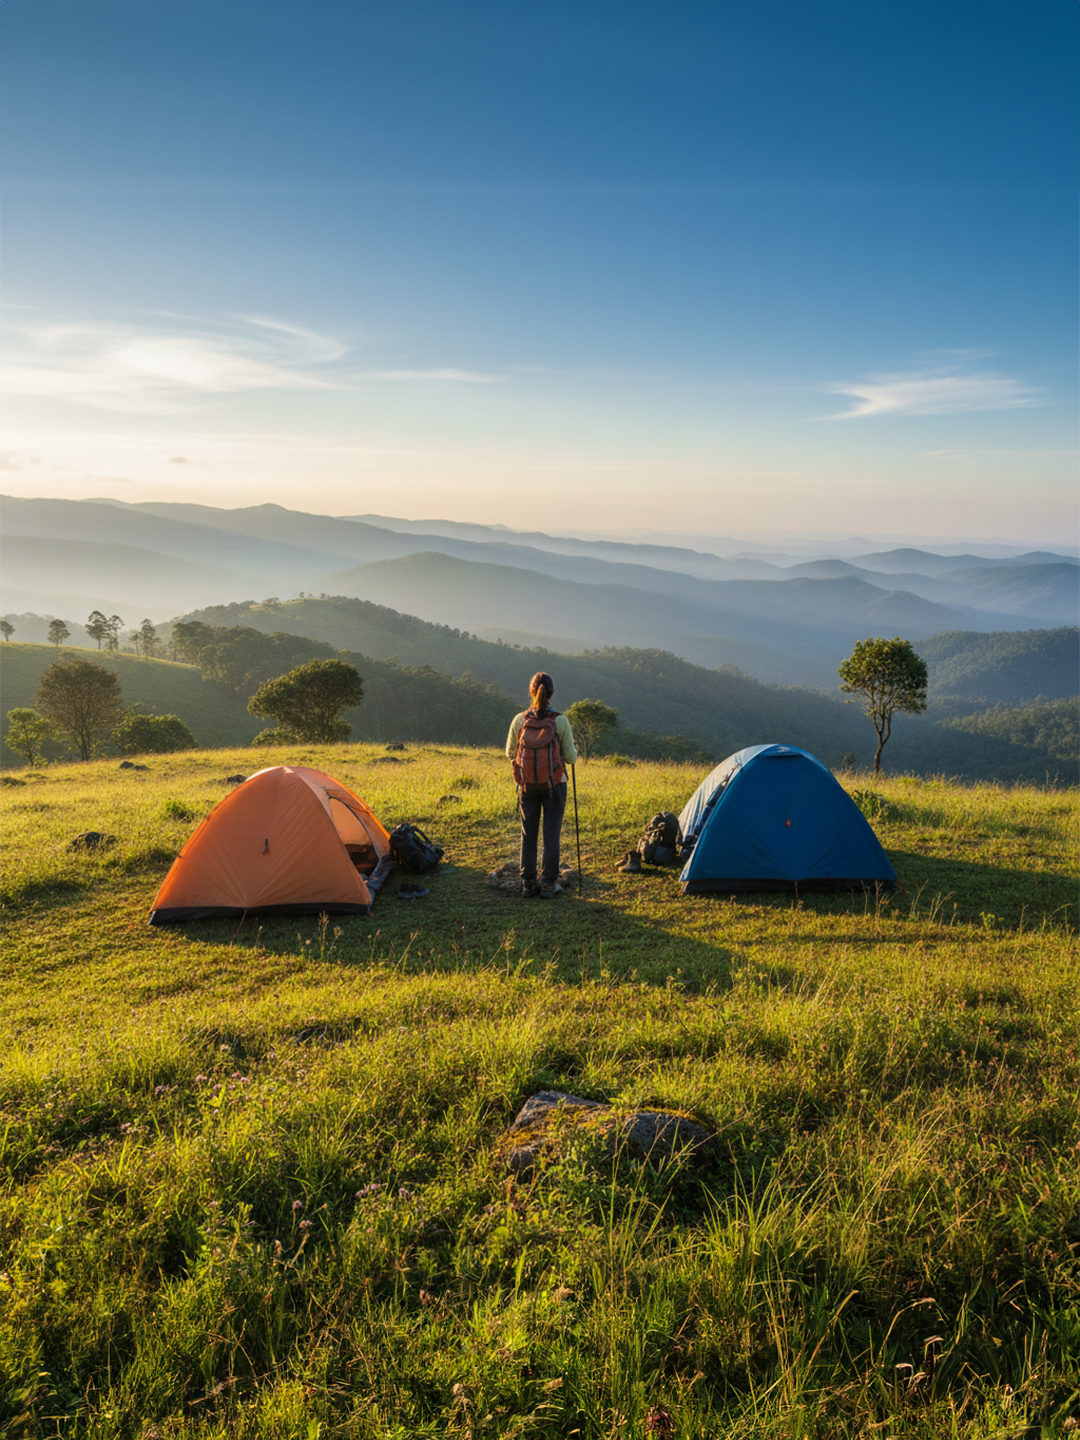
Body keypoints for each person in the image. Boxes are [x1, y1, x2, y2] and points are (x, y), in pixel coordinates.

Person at [505, 671, 578, 898]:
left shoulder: (520, 720)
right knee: (551, 834)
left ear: (531, 691)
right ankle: (548, 884)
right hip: (555, 785)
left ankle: (528, 884)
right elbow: (571, 758)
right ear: (552, 692)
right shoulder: (560, 721)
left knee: (528, 834)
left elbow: (510, 752)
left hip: (527, 786)